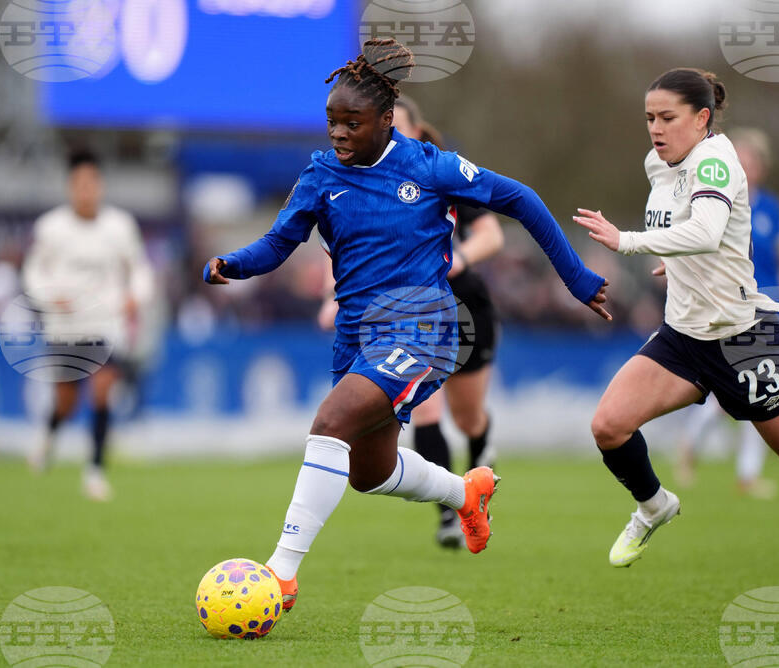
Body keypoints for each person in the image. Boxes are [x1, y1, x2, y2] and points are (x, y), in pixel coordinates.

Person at [204, 38, 610, 615]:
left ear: (387, 120)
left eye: (352, 122)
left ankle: (280, 574)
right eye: (332, 122)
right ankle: (464, 492)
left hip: (423, 329)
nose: (339, 133)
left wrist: (574, 277)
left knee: (329, 423)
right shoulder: (320, 175)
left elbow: (520, 199)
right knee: (368, 473)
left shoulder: (428, 166)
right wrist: (233, 264)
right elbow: (278, 243)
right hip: (357, 334)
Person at [574, 68, 779, 628]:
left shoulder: (717, 159)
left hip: (745, 337)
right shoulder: (658, 164)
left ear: (702, 118)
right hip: (684, 337)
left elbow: (708, 231)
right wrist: (676, 261)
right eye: (649, 119)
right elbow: (702, 238)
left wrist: (629, 241)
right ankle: (655, 506)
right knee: (609, 425)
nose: (655, 130)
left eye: (667, 118)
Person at [318, 94, 505, 548]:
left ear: (417, 134)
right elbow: (345, 250)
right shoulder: (358, 181)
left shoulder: (441, 171)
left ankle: (479, 470)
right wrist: (331, 298)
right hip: (403, 320)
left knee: (468, 417)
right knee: (427, 411)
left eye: (398, 129)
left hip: (459, 304)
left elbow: (492, 233)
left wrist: (455, 259)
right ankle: (449, 514)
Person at [674, 127, 779, 498]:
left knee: (764, 394)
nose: (745, 166)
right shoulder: (718, 198)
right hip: (731, 305)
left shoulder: (770, 207)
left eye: (751, 160)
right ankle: (689, 446)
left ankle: (746, 475)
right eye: (741, 159)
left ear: (762, 167)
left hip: (766, 307)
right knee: (729, 394)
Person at [23, 149, 154, 501]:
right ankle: (48, 437)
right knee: (66, 401)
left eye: (91, 183)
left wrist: (136, 296)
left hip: (105, 324)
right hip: (65, 325)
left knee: (102, 388)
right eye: (79, 184)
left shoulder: (119, 226)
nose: (86, 190)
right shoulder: (51, 228)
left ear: (100, 185)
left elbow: (139, 269)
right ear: (70, 187)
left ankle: (95, 470)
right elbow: (33, 272)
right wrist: (49, 298)